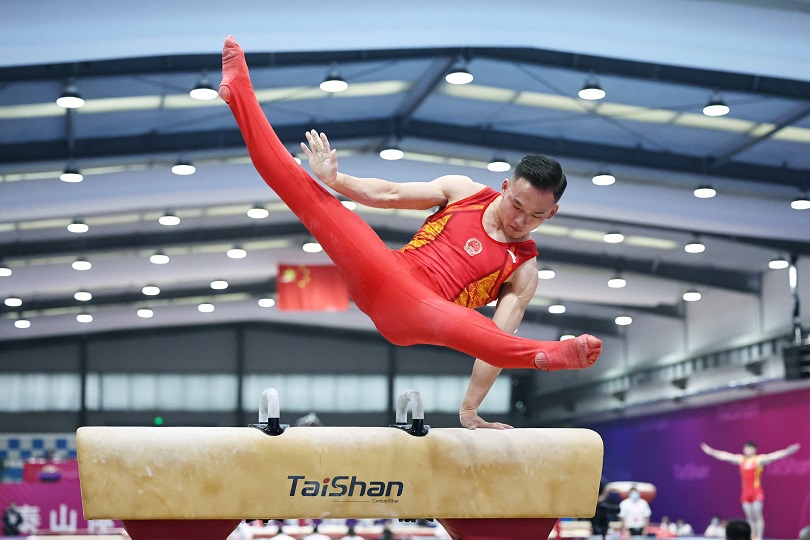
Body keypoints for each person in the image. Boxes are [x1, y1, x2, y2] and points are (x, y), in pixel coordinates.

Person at [218, 35, 602, 428]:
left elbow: (493, 345)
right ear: (504, 187)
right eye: (516, 205)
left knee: (488, 333)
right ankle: (240, 94)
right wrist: (336, 180)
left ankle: (546, 354)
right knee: (302, 191)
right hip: (382, 271)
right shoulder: (464, 191)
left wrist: (469, 410)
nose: (521, 219)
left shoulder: (523, 269)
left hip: (421, 315)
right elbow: (389, 194)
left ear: (552, 213)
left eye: (535, 215)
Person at [701, 441, 800, 540]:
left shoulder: (759, 460)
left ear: (754, 450)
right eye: (745, 448)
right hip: (745, 492)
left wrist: (787, 451)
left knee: (757, 516)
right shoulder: (741, 460)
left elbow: (773, 456)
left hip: (756, 491)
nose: (746, 450)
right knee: (749, 517)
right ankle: (751, 537)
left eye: (748, 448)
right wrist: (711, 451)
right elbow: (725, 456)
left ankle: (759, 537)